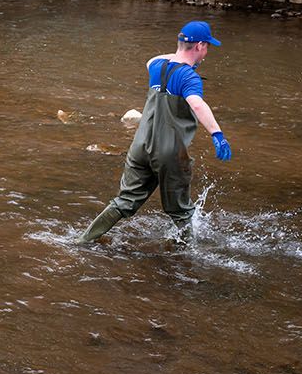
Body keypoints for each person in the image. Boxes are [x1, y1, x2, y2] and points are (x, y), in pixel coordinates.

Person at [78, 21, 233, 243]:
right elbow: (197, 105)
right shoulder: (189, 77)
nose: (207, 52)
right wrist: (217, 135)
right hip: (169, 153)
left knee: (125, 201)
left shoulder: (156, 66)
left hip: (140, 147)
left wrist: (180, 54)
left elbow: (150, 59)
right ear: (199, 46)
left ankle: (83, 240)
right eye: (207, 46)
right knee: (181, 211)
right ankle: (187, 258)